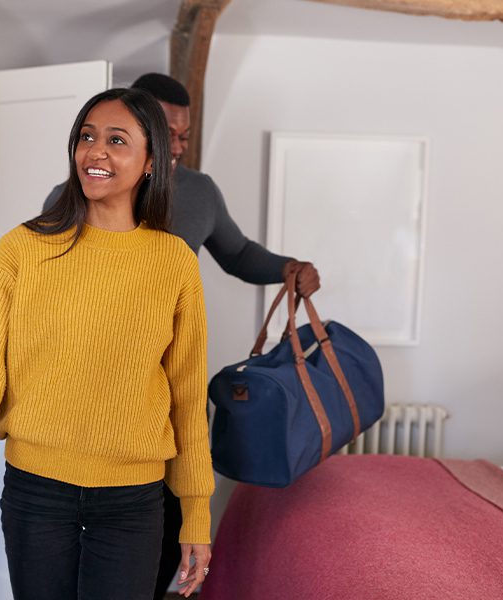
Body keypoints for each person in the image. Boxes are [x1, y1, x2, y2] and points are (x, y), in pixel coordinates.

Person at [0, 87, 214, 600]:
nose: (95, 151)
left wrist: (196, 515)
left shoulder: (174, 262)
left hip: (134, 503)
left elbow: (186, 400)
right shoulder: (23, 250)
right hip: (37, 494)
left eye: (116, 140)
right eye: (86, 137)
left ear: (151, 161)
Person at [44, 73, 320, 600]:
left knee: (161, 537)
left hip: (167, 386)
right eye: (167, 131)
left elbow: (237, 254)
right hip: (83, 402)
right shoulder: (79, 190)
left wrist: (289, 266)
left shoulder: (198, 191)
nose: (179, 144)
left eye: (185, 134)